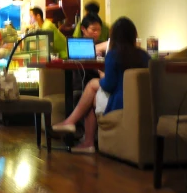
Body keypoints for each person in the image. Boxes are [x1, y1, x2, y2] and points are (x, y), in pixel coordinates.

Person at [52, 17, 149, 153]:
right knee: (92, 88)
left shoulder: (113, 55)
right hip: (140, 102)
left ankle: (85, 139)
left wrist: (102, 76)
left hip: (119, 103)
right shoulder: (144, 55)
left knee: (92, 89)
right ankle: (77, 131)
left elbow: (109, 85)